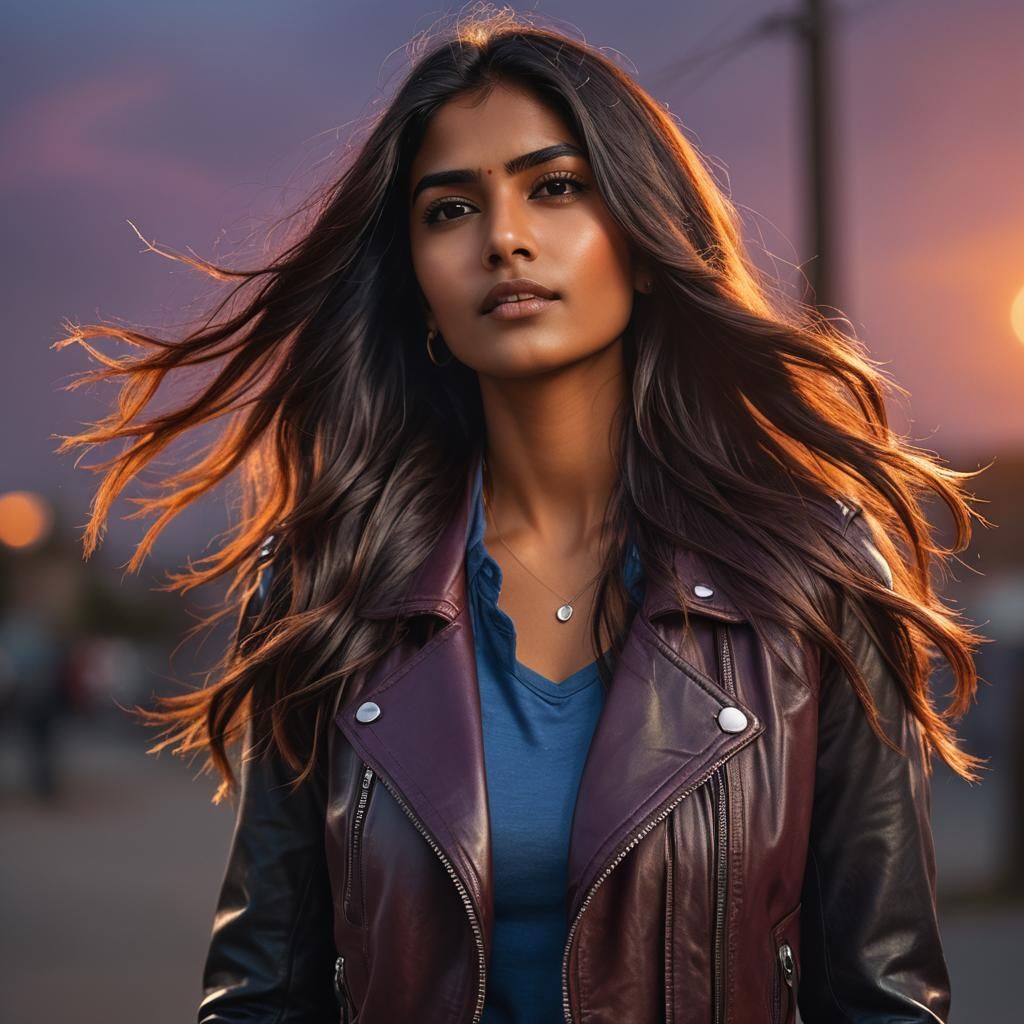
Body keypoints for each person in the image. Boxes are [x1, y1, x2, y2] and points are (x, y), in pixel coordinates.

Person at [55, 10, 987, 1023]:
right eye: (450, 210)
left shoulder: (809, 568)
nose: (503, 237)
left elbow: (884, 995)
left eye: (555, 187)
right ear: (416, 280)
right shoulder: (329, 580)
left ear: (638, 238)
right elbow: (262, 991)